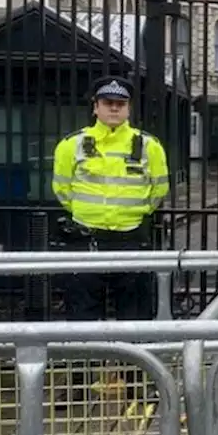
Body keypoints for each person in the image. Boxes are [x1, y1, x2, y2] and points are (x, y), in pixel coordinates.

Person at [52, 75, 169, 321]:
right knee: (82, 313)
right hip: (86, 238)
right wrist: (87, 213)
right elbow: (62, 189)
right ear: (95, 107)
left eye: (120, 103)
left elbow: (159, 190)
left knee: (134, 313)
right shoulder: (71, 145)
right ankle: (87, 359)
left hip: (131, 237)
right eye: (108, 102)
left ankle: (131, 360)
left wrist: (133, 213)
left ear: (129, 108)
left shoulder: (149, 147)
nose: (114, 108)